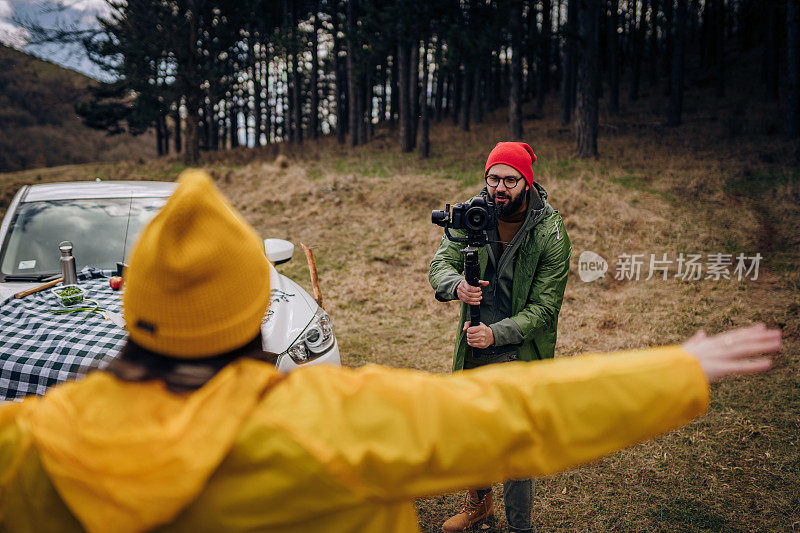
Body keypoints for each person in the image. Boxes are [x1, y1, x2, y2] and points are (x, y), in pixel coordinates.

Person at [0, 170, 780, 533]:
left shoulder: (33, 444)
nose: (497, 189)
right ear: (253, 310)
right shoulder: (337, 421)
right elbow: (519, 412)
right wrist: (679, 368)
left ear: (132, 311)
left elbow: (546, 309)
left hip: (513, 337)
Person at [429, 142, 571, 532]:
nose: (500, 187)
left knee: (517, 444)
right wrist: (455, 285)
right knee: (473, 428)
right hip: (474, 341)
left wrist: (498, 334)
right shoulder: (470, 214)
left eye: (511, 179)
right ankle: (480, 504)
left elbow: (545, 309)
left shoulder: (549, 231)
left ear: (528, 181)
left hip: (521, 347)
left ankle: (520, 525)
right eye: (494, 178)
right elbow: (441, 262)